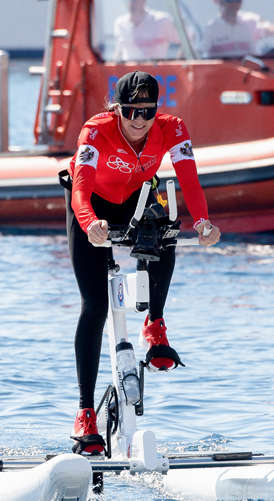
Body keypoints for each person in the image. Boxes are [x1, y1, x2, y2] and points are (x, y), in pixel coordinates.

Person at [63, 71, 221, 455]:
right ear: (117, 109)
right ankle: (85, 414)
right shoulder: (95, 132)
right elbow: (80, 190)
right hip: (93, 207)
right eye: (131, 111)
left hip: (136, 199)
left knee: (166, 219)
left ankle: (155, 325)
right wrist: (90, 224)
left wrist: (203, 222)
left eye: (147, 112)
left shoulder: (173, 128)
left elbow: (190, 181)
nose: (138, 120)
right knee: (96, 305)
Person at [200, 0, 274, 58]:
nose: (234, 3)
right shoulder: (211, 29)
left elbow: (253, 57)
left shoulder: (245, 29)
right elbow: (199, 57)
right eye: (229, 0)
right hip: (220, 76)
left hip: (244, 77)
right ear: (220, 2)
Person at [113, 0, 179, 61]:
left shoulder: (162, 20)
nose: (131, 4)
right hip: (130, 71)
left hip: (157, 71)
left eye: (134, 0)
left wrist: (179, 66)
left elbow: (185, 43)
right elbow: (119, 51)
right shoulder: (120, 23)